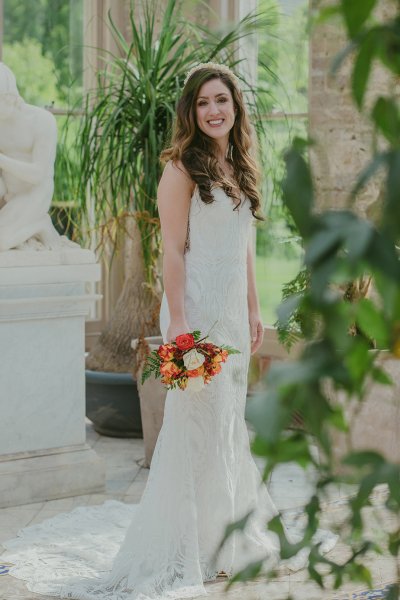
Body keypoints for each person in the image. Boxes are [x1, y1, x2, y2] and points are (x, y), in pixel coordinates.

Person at [1, 63, 336, 600]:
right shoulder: (181, 168)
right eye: (202, 103)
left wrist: (253, 308)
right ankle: (184, 548)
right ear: (190, 111)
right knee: (192, 428)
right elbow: (174, 255)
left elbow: (243, 246)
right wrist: (178, 322)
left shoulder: (241, 165)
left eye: (221, 100)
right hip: (196, 311)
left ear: (235, 107)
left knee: (227, 423)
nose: (213, 111)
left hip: (230, 314)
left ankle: (224, 539)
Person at [0, 62, 74, 251]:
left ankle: (39, 224)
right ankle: (26, 231)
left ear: (9, 98)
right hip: (8, 197)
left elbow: (38, 174)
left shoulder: (41, 121)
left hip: (35, 194)